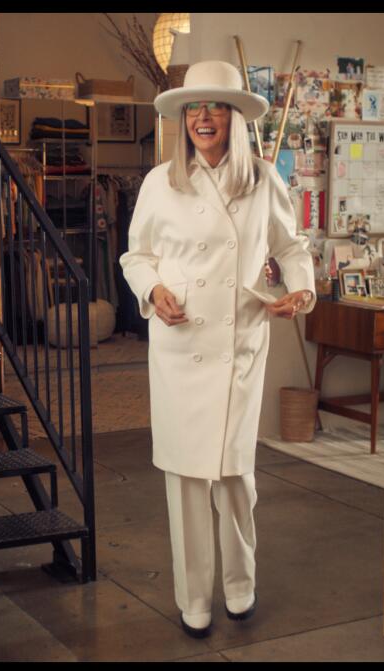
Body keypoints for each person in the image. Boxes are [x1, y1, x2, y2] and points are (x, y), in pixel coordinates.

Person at [119, 60, 316, 639]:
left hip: (238, 344)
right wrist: (154, 291)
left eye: (217, 107)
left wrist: (299, 290)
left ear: (234, 118)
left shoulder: (263, 180)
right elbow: (136, 256)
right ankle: (193, 598)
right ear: (183, 119)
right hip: (180, 348)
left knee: (234, 476)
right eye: (194, 108)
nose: (204, 117)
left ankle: (240, 587)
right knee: (184, 480)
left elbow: (293, 245)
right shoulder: (160, 182)